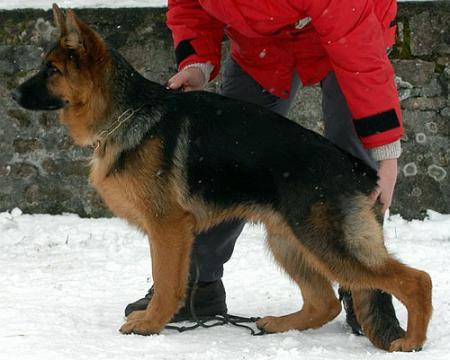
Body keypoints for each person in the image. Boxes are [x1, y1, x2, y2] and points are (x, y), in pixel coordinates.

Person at [125, 0, 402, 331]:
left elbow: (362, 60)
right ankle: (195, 284)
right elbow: (188, 8)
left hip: (352, 34)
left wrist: (386, 154)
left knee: (356, 160)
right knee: (223, 158)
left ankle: (366, 293)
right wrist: (196, 63)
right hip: (263, 47)